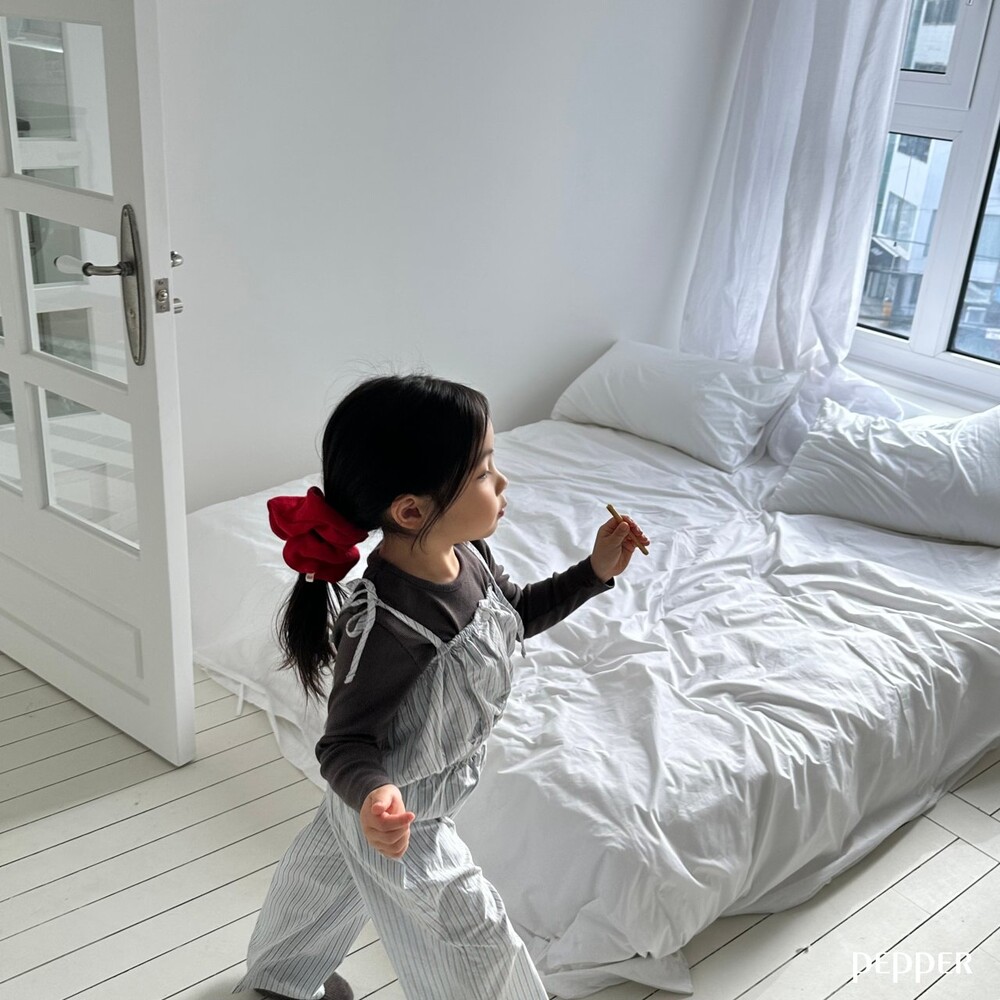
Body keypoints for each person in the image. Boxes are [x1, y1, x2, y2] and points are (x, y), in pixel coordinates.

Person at [235, 373, 649, 1000]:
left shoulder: (469, 556)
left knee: (320, 884)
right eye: (483, 471)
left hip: (398, 801)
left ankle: (277, 985)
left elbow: (516, 612)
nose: (502, 482)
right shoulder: (387, 625)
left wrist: (593, 571)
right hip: (403, 815)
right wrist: (375, 797)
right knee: (474, 938)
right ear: (411, 510)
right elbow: (344, 743)